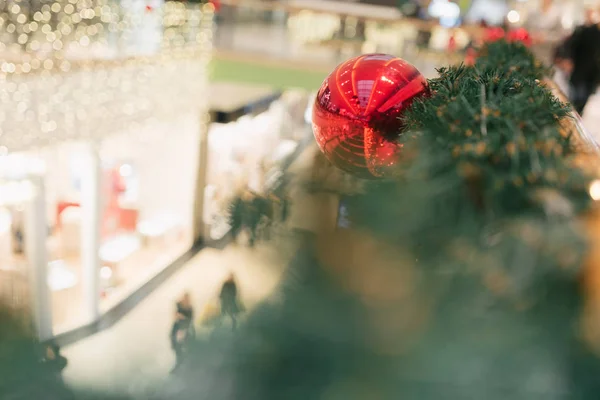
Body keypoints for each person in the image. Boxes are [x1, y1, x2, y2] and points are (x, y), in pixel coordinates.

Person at [170, 292, 194, 373]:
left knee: (181, 346)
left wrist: (182, 317)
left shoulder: (189, 309)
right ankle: (181, 360)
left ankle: (181, 362)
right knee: (176, 345)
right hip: (176, 328)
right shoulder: (179, 305)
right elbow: (175, 314)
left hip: (182, 329)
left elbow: (189, 320)